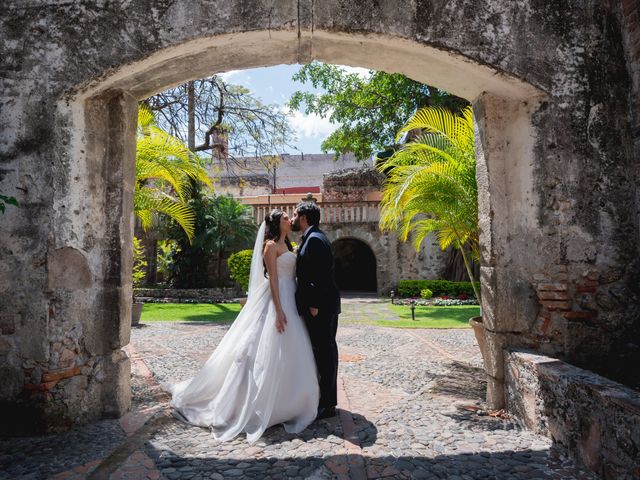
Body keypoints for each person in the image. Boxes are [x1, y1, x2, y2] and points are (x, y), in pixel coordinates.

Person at [164, 210, 319, 443]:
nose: (291, 219)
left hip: (291, 297)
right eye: (286, 218)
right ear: (277, 223)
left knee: (292, 350)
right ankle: (258, 402)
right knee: (263, 349)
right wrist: (278, 310)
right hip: (277, 300)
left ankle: (293, 400)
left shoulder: (287, 245)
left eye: (290, 217)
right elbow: (273, 280)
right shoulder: (270, 246)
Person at [291, 201, 341, 419]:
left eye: (294, 215)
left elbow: (320, 277)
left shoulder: (315, 240)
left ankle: (328, 404)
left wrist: (314, 306)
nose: (292, 219)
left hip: (321, 308)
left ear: (304, 218)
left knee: (326, 354)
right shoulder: (313, 237)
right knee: (323, 352)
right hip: (320, 307)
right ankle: (324, 399)